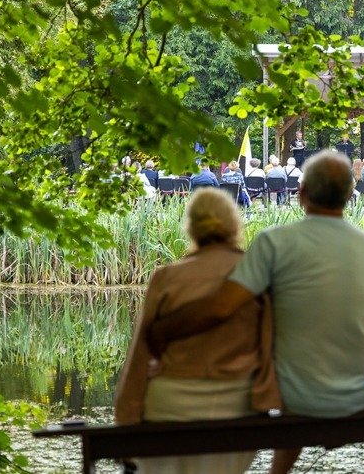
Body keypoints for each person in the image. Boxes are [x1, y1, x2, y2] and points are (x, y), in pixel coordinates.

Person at [147, 151, 364, 474]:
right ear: (349, 194)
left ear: (300, 194)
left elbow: (221, 308)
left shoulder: (277, 242)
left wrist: (162, 329)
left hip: (300, 396)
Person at [115, 188, 280, 474]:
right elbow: (270, 349)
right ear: (234, 224)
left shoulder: (166, 278)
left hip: (169, 408)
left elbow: (139, 358)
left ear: (190, 227)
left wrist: (126, 420)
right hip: (236, 409)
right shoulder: (256, 274)